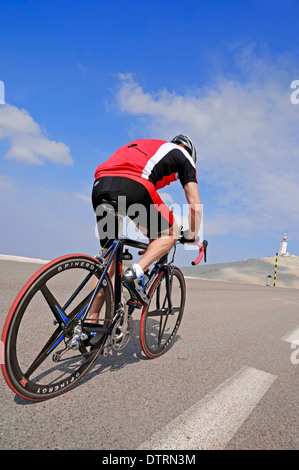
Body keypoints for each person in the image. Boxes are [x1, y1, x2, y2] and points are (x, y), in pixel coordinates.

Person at [89, 134, 202, 319]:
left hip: (100, 185)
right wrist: (191, 235)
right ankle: (135, 273)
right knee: (171, 234)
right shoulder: (185, 157)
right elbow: (195, 207)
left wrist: (153, 240)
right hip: (133, 184)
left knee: (108, 260)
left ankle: (90, 327)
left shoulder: (149, 149)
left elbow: (142, 217)